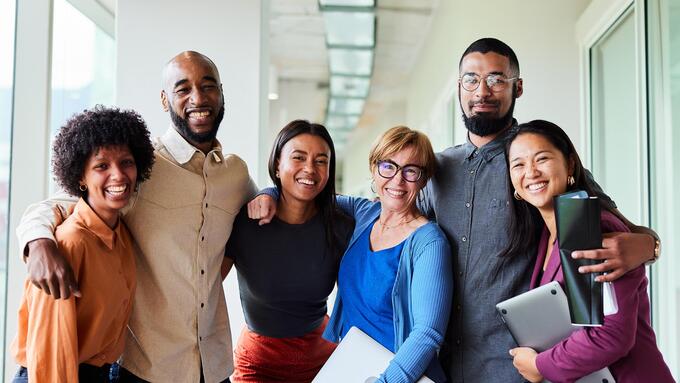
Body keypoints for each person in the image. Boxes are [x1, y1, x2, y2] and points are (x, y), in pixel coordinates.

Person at [16, 51, 256, 382]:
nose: (198, 98)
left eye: (208, 85)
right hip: (145, 367)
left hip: (213, 366)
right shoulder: (136, 169)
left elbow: (262, 211)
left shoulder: (236, 174)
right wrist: (38, 241)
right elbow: (56, 205)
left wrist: (269, 199)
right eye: (182, 88)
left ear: (221, 92)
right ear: (164, 99)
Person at [256, 126, 453, 382]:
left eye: (411, 170)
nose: (397, 180)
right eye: (388, 166)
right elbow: (307, 192)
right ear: (374, 168)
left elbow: (428, 332)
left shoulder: (429, 242)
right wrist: (268, 193)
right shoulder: (365, 213)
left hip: (403, 376)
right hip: (357, 365)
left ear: (424, 179)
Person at [503, 120, 673, 383]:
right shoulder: (548, 235)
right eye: (519, 165)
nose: (531, 172)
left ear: (570, 164)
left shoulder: (584, 225)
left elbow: (611, 335)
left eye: (542, 159)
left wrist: (539, 364)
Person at [10, 106, 155, 382]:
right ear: (80, 177)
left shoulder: (122, 234)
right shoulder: (69, 243)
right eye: (102, 166)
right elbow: (50, 352)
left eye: (126, 162)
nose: (118, 176)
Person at [222, 120, 353, 382]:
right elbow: (206, 287)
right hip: (259, 362)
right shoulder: (246, 222)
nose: (310, 169)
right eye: (298, 157)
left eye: (321, 160)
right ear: (277, 165)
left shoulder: (341, 224)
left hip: (320, 356)